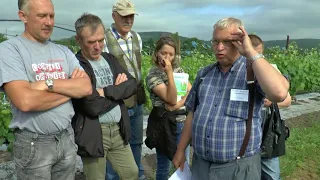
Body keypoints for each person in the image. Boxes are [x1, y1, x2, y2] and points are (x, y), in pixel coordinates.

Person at [173, 17, 290, 180]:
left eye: (227, 42)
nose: (219, 48)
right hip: (201, 166)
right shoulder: (204, 74)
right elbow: (192, 115)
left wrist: (251, 53)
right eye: (215, 41)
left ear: (240, 42)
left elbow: (279, 93)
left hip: (239, 169)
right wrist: (180, 150)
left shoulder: (253, 72)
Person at [0, 0, 92, 179]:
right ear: (23, 16)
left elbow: (86, 87)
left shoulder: (63, 51)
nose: (49, 22)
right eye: (42, 16)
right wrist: (70, 89)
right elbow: (26, 101)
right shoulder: (9, 51)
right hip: (34, 145)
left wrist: (49, 84)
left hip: (66, 138)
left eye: (51, 15)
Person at [72, 13, 138, 180]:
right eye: (91, 42)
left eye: (101, 40)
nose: (97, 46)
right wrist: (117, 91)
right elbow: (91, 105)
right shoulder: (76, 65)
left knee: (131, 173)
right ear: (78, 40)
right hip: (93, 132)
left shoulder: (109, 59)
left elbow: (131, 84)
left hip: (117, 129)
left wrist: (106, 91)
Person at [104, 0, 146, 179]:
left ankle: (135, 175)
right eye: (124, 16)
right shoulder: (105, 39)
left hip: (136, 100)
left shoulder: (136, 37)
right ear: (114, 16)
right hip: (117, 102)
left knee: (136, 142)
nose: (128, 20)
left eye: (131, 16)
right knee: (116, 145)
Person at [144, 36, 192, 180]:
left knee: (183, 163)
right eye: (163, 53)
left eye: (171, 54)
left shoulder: (179, 69)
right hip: (163, 124)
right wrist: (170, 73)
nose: (167, 57)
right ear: (156, 53)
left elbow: (191, 91)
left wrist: (178, 104)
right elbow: (170, 98)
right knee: (164, 165)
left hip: (181, 121)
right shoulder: (153, 75)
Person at [249, 34, 291, 180]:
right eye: (252, 52)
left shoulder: (271, 70)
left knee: (271, 174)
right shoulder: (235, 71)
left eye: (259, 53)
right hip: (244, 135)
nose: (255, 57)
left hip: (266, 130)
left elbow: (287, 100)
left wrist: (271, 102)